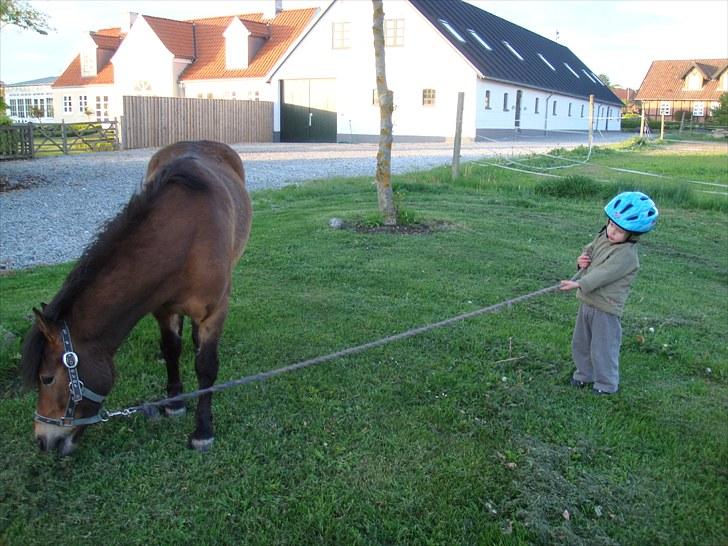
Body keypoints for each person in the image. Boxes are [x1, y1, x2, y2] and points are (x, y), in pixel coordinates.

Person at [560, 191, 659, 394]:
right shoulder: (604, 236)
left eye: (619, 231)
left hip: (606, 308)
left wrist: (579, 284)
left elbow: (604, 274)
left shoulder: (627, 256)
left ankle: (606, 384)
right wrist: (582, 259)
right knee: (581, 342)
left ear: (632, 235)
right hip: (588, 302)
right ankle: (584, 374)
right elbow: (590, 249)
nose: (612, 232)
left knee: (603, 348)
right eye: (611, 225)